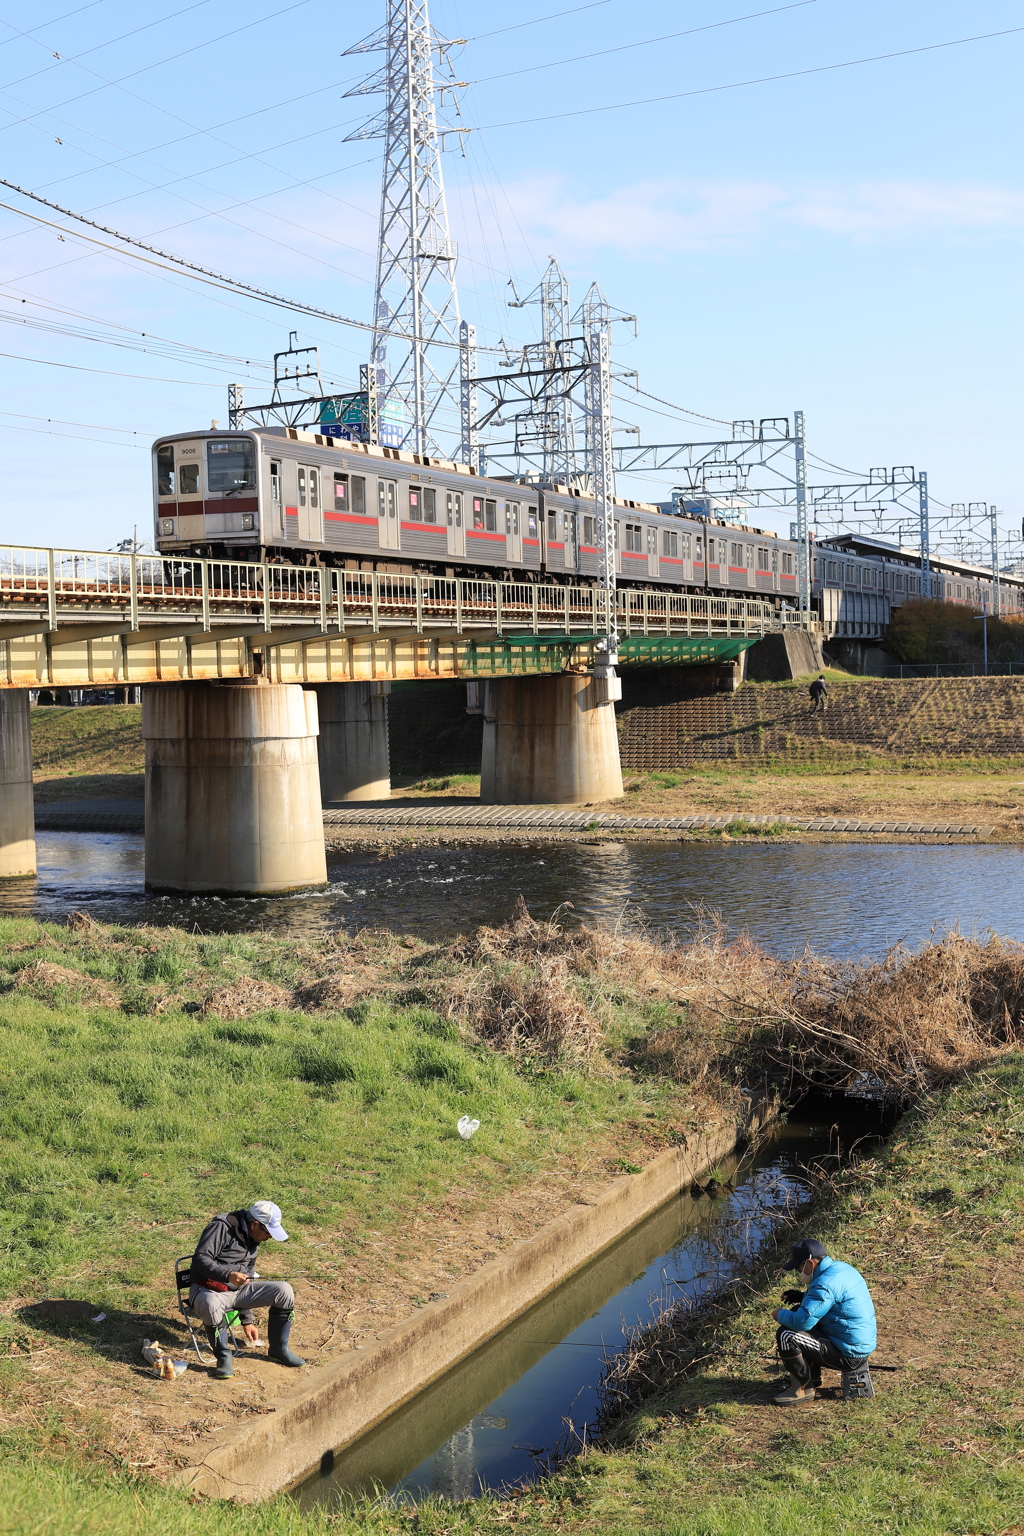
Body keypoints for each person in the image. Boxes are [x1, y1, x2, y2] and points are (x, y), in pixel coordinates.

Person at [189, 1199, 305, 1379]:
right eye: (268, 1232)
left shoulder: (253, 1236)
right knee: (210, 1303)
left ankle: (279, 1350)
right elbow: (199, 1260)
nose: (270, 1237)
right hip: (208, 1290)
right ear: (255, 1224)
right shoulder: (221, 1227)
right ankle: (223, 1357)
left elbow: (246, 1279)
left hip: (237, 1291)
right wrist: (228, 1275)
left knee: (284, 1290)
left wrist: (247, 1320)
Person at [772, 1238, 876, 1405]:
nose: (799, 1272)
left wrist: (779, 1314)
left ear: (810, 1263)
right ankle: (813, 1376)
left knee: (786, 1334)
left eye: (799, 1267)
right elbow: (825, 1301)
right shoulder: (840, 1269)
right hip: (857, 1343)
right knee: (797, 1311)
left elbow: (801, 1323)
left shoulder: (824, 1284)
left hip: (849, 1354)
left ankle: (802, 1389)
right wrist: (801, 1296)